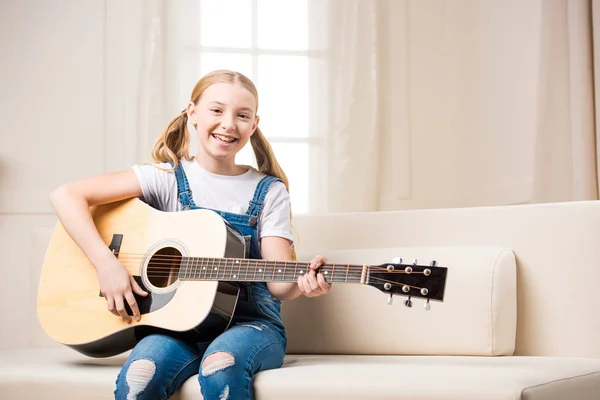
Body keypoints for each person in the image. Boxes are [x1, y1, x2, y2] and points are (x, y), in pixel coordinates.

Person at [49, 69, 332, 399]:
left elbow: (280, 285)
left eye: (242, 115)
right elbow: (65, 196)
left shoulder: (268, 191)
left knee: (220, 366)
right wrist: (106, 265)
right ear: (192, 113)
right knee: (140, 377)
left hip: (250, 325)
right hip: (174, 326)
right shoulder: (165, 178)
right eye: (216, 110)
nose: (228, 124)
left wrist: (303, 282)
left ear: (253, 125)